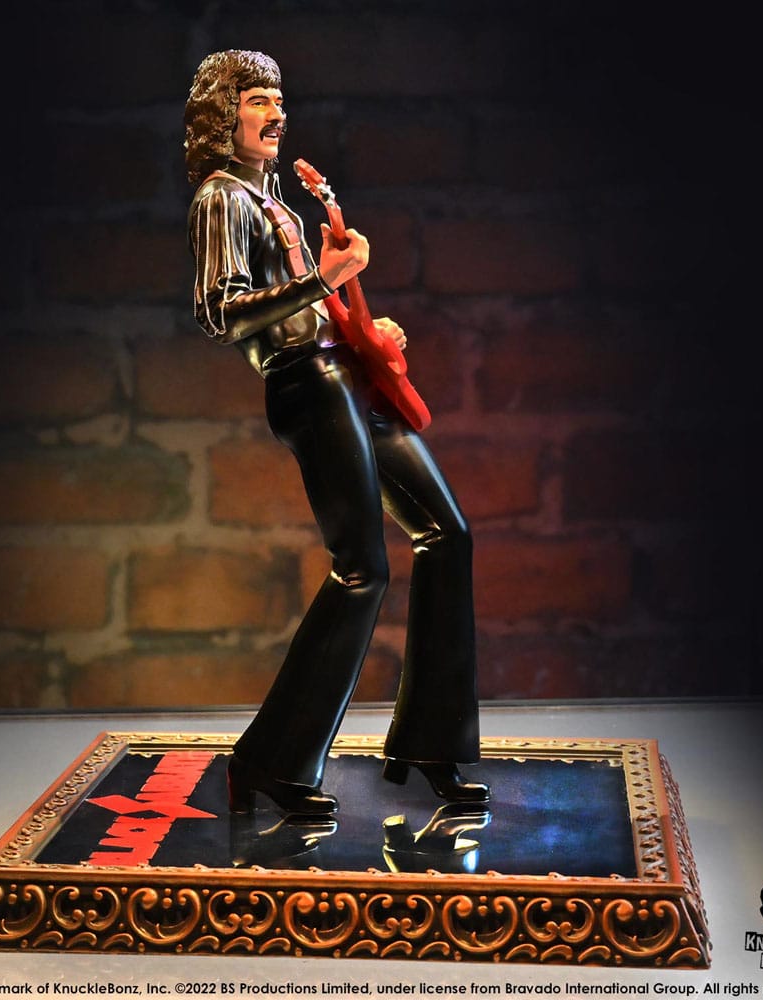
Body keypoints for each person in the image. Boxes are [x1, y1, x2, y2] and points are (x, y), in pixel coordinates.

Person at [185, 50, 487, 816]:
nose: (276, 114)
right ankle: (271, 762)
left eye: (279, 100)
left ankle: (432, 743)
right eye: (258, 100)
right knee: (362, 568)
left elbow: (303, 306)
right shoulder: (221, 199)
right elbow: (220, 314)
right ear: (223, 115)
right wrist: (323, 281)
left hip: (342, 372)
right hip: (306, 386)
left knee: (448, 533)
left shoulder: (278, 201)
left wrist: (354, 323)